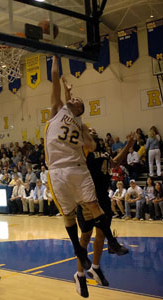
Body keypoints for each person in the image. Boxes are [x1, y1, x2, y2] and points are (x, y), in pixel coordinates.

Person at [45, 56, 130, 290]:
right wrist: (54, 55)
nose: (73, 100)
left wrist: (89, 133)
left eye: (77, 101)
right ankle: (81, 261)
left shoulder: (81, 124)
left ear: (80, 109)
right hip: (59, 170)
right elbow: (54, 79)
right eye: (72, 99)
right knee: (72, 218)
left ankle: (106, 250)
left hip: (78, 170)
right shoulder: (58, 110)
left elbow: (91, 145)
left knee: (96, 210)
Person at [74, 128, 135, 297]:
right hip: (87, 198)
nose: (92, 129)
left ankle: (95, 268)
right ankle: (79, 275)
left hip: (103, 197)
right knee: (85, 237)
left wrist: (129, 144)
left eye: (93, 129)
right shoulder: (83, 149)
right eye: (88, 129)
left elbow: (115, 163)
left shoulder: (103, 151)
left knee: (101, 234)